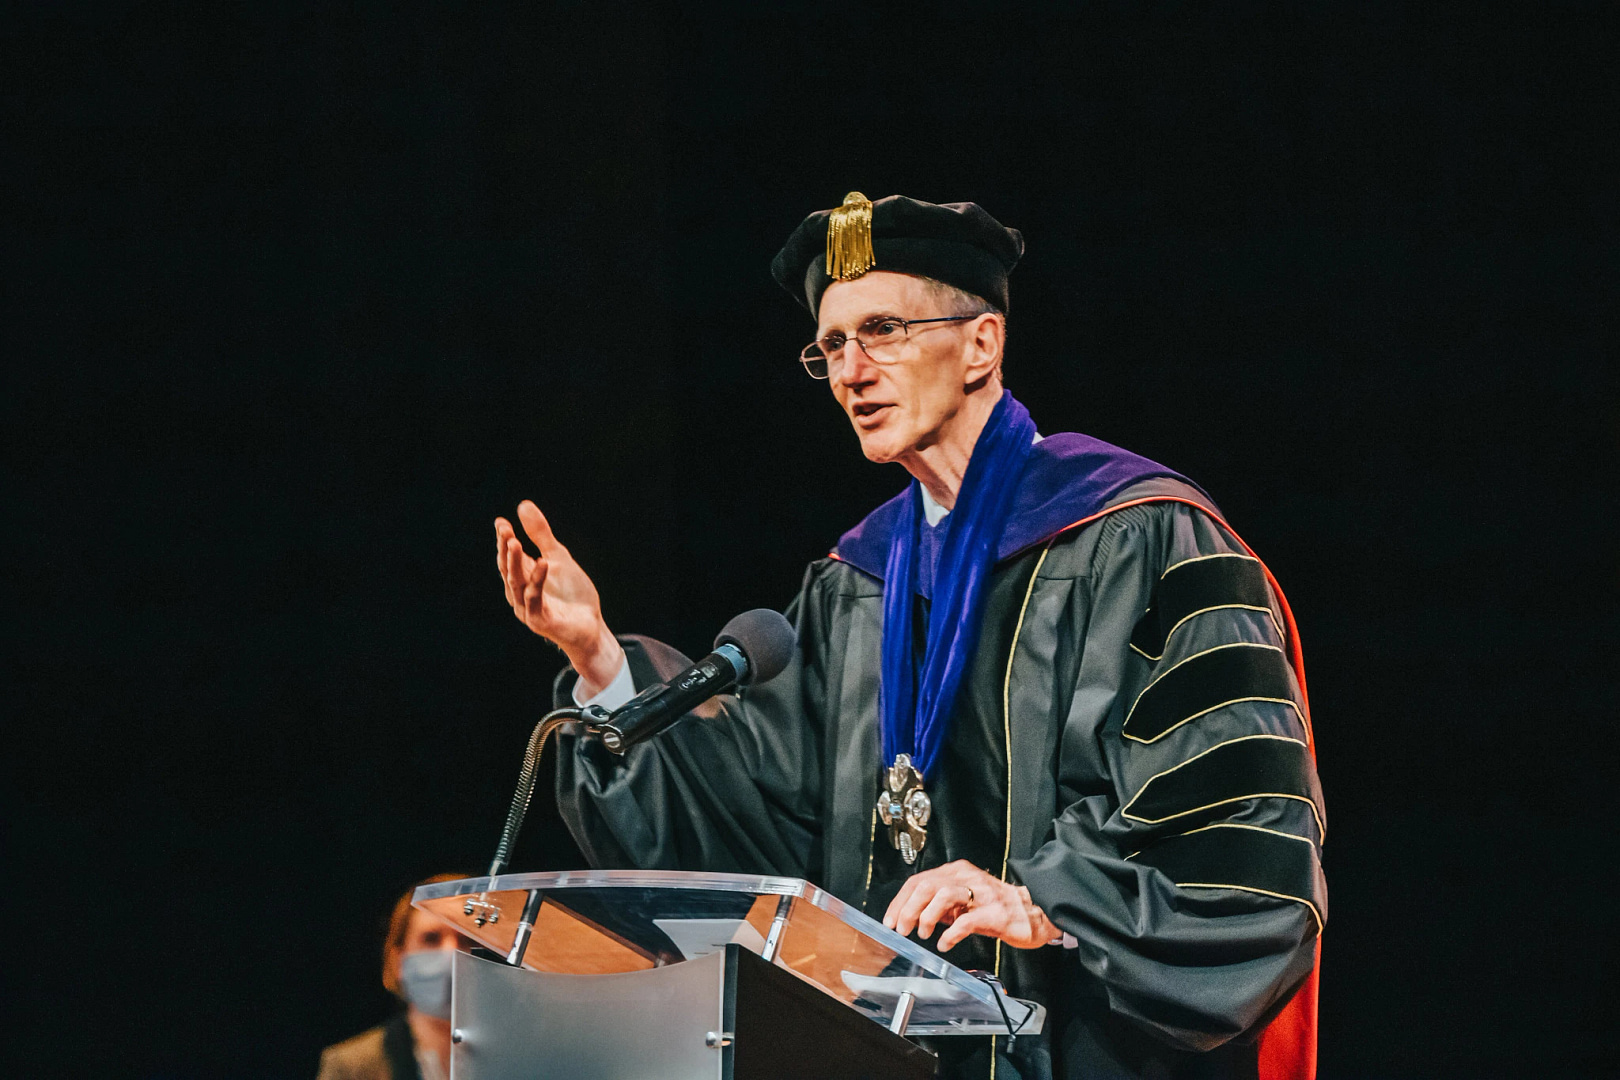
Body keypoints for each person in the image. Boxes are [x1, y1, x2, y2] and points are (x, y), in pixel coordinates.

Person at [494, 193, 1326, 1080]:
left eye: (882, 330)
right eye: (832, 346)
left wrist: (1041, 900)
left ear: (981, 343)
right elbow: (755, 825)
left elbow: (1238, 841)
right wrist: (597, 657)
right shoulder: (857, 584)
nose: (851, 370)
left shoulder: (1138, 539)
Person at [318, 873, 475, 1080]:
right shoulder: (353, 1067)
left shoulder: (522, 1054)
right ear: (398, 960)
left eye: (468, 938)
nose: (452, 952)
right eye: (431, 938)